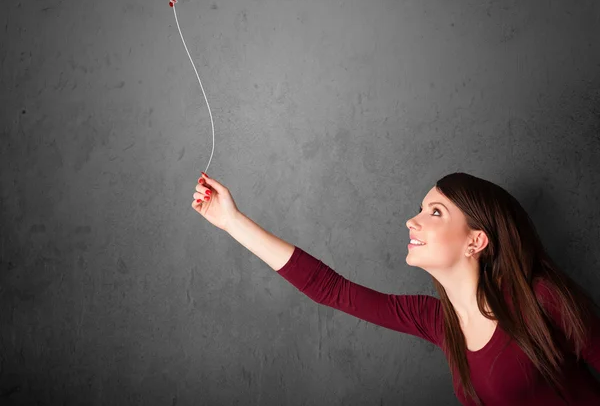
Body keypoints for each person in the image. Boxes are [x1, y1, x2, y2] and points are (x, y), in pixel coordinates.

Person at [191, 171, 600, 405]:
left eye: (435, 212)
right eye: (419, 208)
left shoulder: (541, 299)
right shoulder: (438, 323)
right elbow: (329, 289)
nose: (412, 220)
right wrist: (231, 221)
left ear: (476, 241)